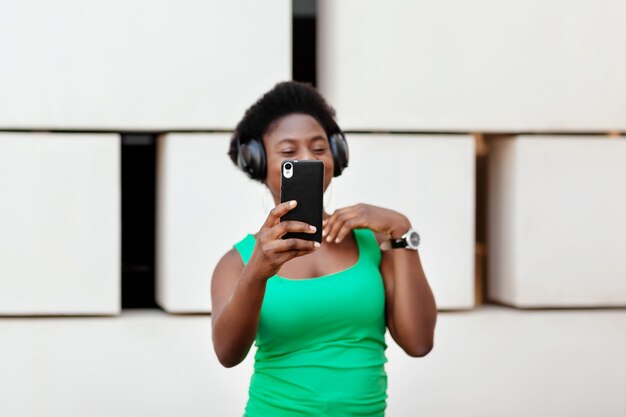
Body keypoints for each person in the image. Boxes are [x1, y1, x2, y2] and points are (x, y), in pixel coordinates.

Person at [211, 81, 437, 417]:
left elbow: (419, 342)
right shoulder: (238, 261)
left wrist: (401, 229)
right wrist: (257, 271)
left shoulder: (375, 241)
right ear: (257, 162)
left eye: (318, 149)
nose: (309, 160)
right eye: (289, 152)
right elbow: (228, 354)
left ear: (337, 154)